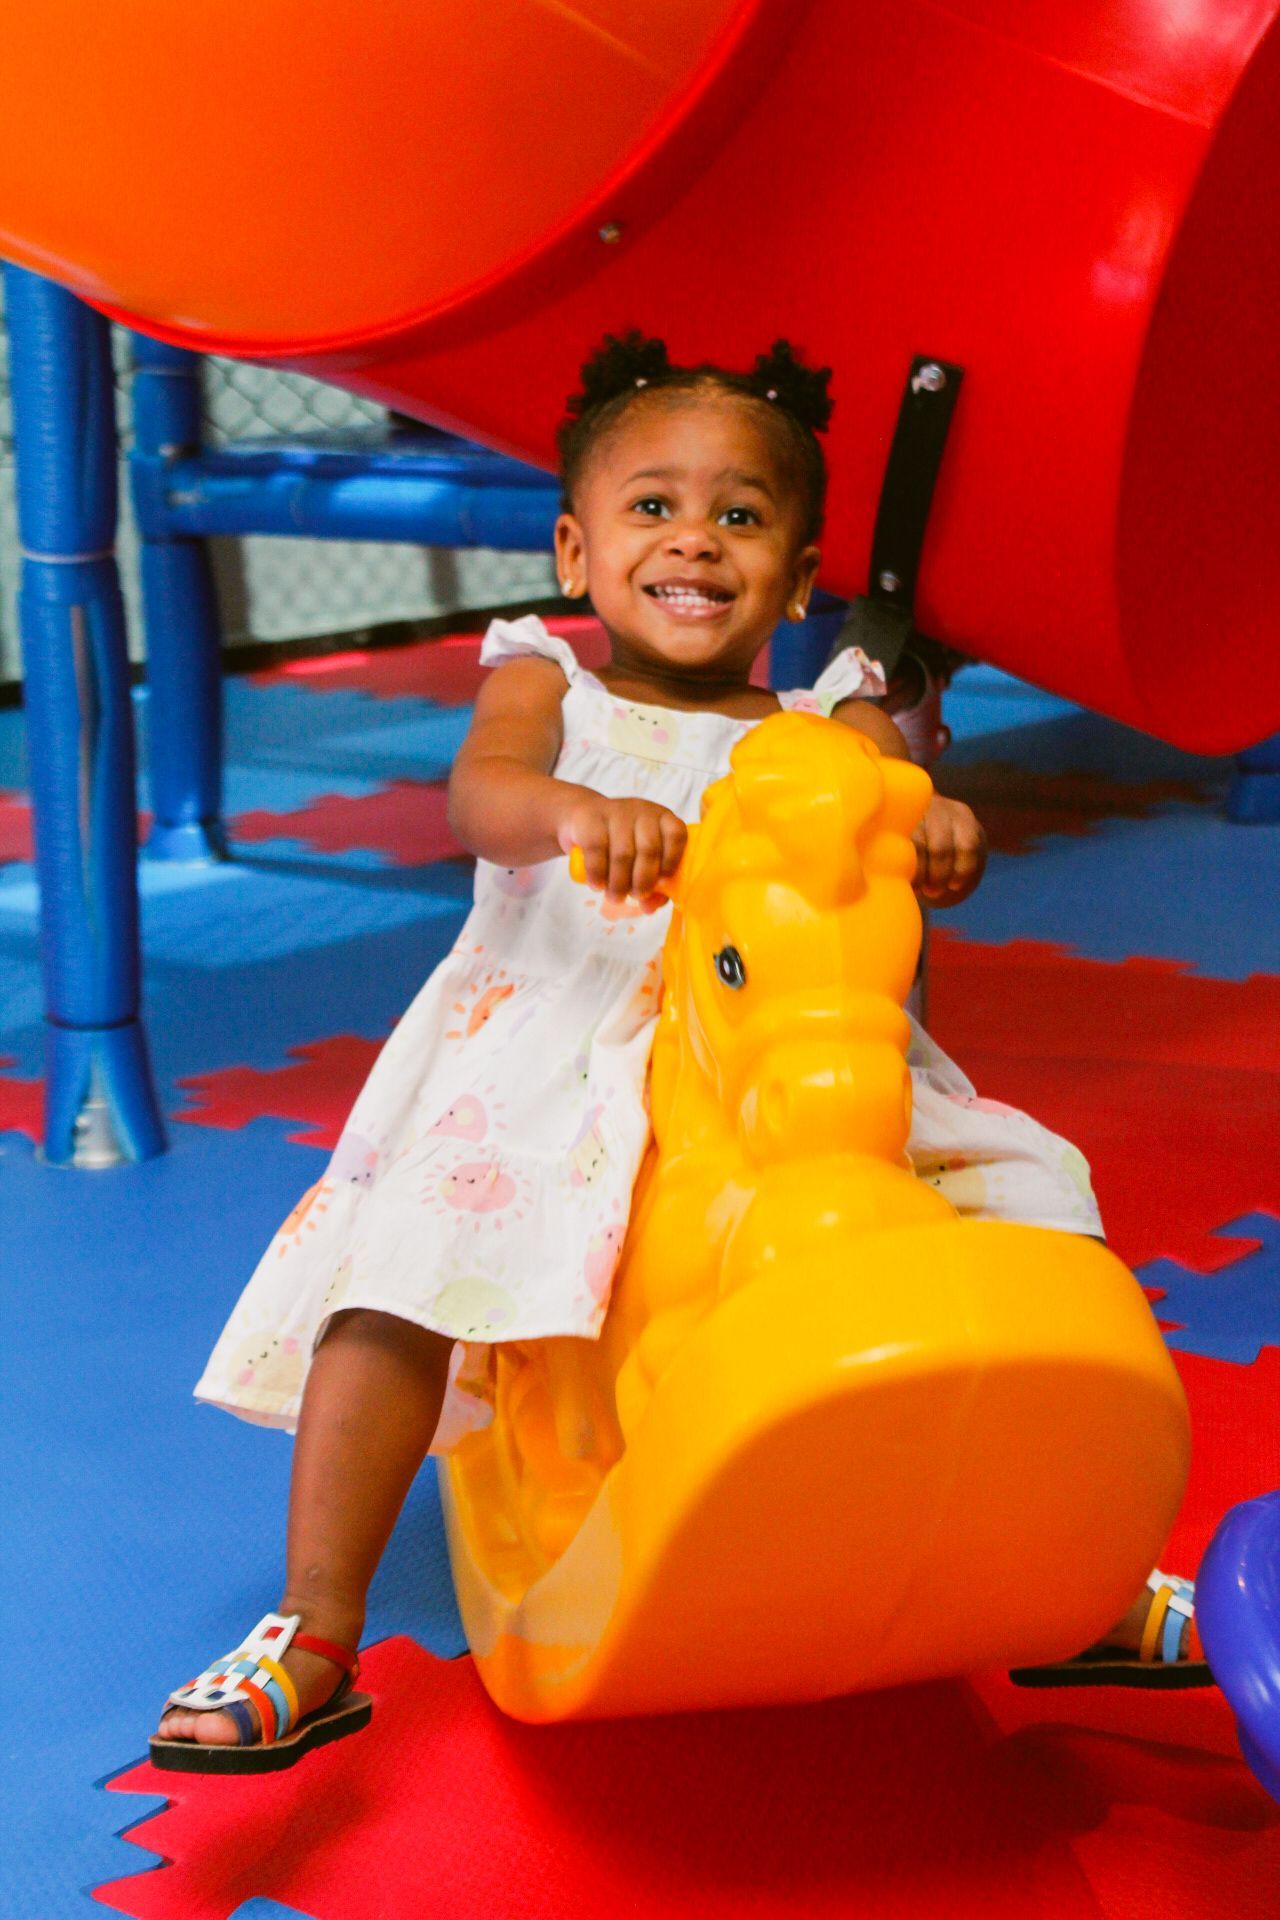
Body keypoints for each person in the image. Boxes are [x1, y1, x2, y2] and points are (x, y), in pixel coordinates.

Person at [152, 332, 1203, 1773]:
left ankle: (1059, 1571)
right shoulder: (553, 689)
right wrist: (573, 812)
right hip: (554, 1049)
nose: (694, 540)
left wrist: (928, 819)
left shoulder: (815, 717)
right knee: (398, 1273)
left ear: (798, 559)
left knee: (1026, 1213)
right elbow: (484, 795)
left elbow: (885, 791)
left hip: (781, 1066)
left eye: (740, 514)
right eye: (653, 507)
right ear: (579, 546)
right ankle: (320, 1626)